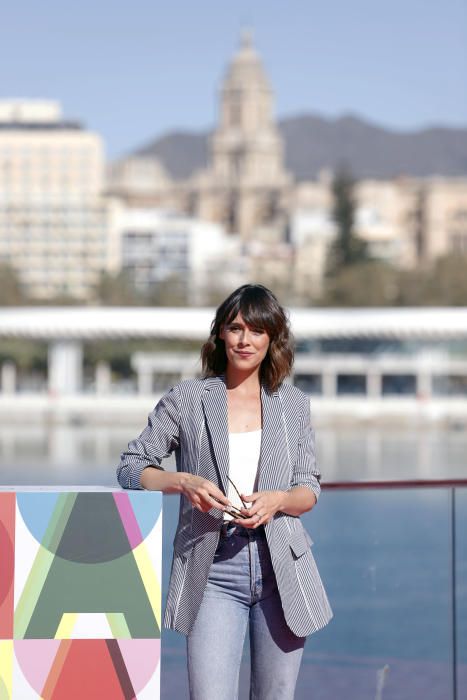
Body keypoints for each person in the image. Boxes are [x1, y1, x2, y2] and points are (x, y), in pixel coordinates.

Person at [117, 284, 332, 700]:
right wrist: (181, 481)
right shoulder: (189, 399)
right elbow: (131, 466)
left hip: (281, 571)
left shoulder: (294, 405)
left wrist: (279, 500)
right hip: (212, 570)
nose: (245, 340)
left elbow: (309, 488)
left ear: (272, 339)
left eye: (256, 331)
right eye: (235, 328)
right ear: (219, 334)